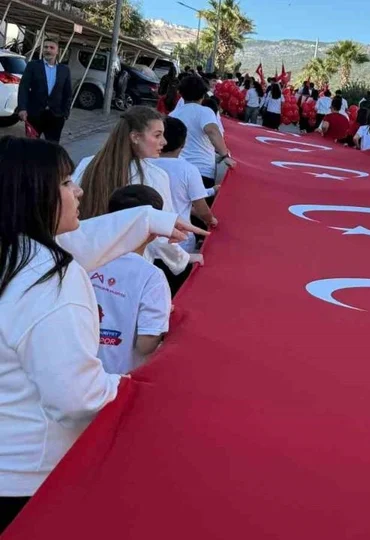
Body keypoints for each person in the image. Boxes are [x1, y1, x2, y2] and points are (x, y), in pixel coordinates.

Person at [0, 137, 204, 533]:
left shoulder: (14, 250)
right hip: (29, 478)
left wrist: (149, 220)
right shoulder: (51, 281)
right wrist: (134, 389)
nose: (78, 190)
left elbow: (79, 241)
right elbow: (75, 395)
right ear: (33, 195)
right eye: (64, 183)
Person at [73, 106, 193, 277]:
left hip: (87, 262)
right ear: (135, 137)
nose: (164, 142)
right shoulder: (154, 176)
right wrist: (184, 259)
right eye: (157, 135)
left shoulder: (88, 164)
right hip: (129, 271)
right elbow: (161, 232)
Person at [89, 185, 173, 375]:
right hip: (118, 380)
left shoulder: (83, 257)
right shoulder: (151, 277)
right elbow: (146, 343)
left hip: (75, 375)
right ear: (154, 228)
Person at [150, 116, 217, 256]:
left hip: (149, 242)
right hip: (178, 244)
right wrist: (211, 220)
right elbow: (202, 209)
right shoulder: (188, 169)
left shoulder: (143, 163)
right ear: (184, 143)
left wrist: (211, 190)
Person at [170, 75, 237, 189]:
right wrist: (225, 155)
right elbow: (212, 131)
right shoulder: (205, 112)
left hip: (177, 169)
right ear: (202, 94)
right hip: (202, 170)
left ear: (181, 93)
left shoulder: (173, 115)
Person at [16, 39, 72, 142]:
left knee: (52, 148)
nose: (48, 50)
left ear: (57, 51)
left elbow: (68, 93)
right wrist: (22, 108)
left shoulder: (64, 70)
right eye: (45, 47)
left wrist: (65, 113)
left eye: (51, 48)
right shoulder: (33, 66)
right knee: (31, 146)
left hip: (56, 116)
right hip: (34, 114)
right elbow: (23, 88)